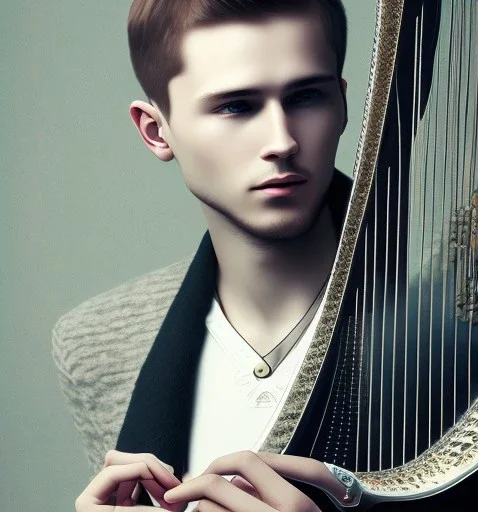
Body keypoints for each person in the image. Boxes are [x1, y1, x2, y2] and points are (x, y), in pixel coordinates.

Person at [52, 0, 354, 510]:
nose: (281, 141)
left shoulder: (456, 321)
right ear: (155, 130)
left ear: (343, 104)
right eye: (236, 106)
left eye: (307, 96)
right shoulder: (97, 343)